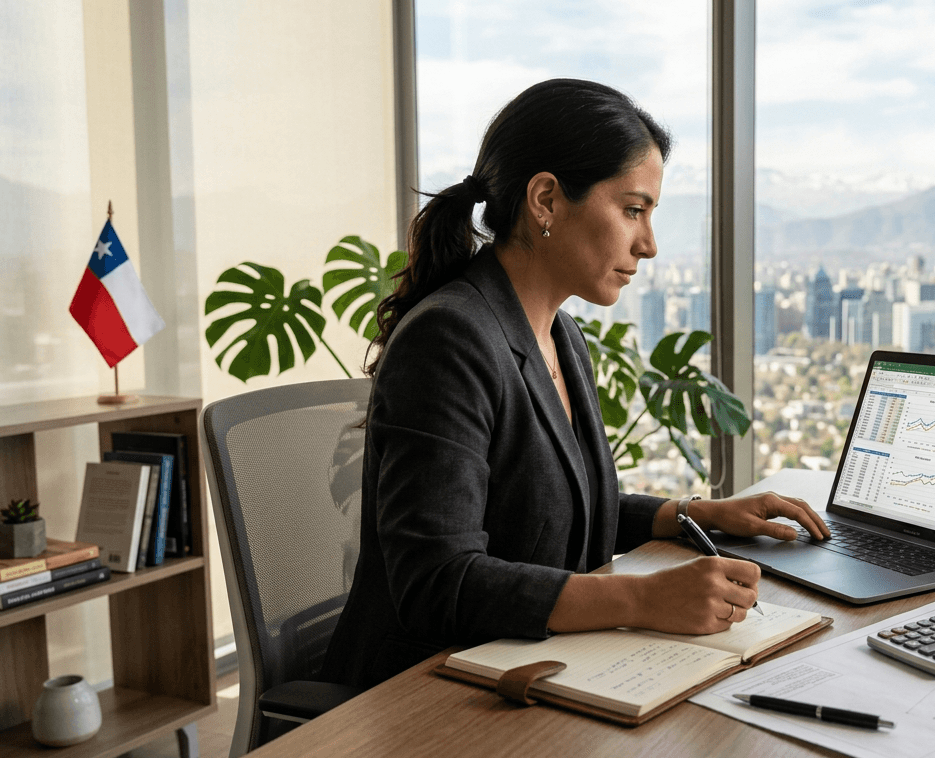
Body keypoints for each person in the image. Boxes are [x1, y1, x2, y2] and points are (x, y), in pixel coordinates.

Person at [320, 79, 829, 690]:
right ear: (546, 201)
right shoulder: (449, 340)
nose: (649, 244)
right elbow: (437, 582)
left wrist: (695, 514)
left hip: (529, 663)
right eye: (633, 210)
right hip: (422, 691)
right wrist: (641, 599)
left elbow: (559, 509)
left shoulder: (560, 333)